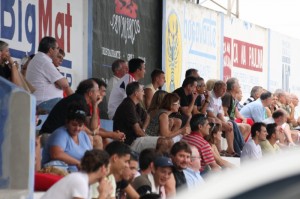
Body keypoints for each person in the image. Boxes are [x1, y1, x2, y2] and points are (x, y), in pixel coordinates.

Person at [26, 36, 73, 112]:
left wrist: (58, 83)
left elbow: (61, 84)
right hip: (44, 103)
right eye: (57, 48)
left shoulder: (40, 58)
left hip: (43, 102)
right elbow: (65, 84)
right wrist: (59, 83)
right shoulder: (44, 61)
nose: (58, 50)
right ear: (51, 50)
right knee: (74, 108)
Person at [41, 149, 112, 199]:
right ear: (103, 168)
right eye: (108, 168)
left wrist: (107, 195)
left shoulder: (85, 182)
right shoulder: (80, 181)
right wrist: (103, 194)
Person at [42, 104, 92, 172]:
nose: (77, 128)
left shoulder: (84, 135)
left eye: (80, 125)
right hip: (61, 175)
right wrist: (77, 163)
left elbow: (91, 156)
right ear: (67, 122)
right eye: (74, 124)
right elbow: (56, 154)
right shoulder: (60, 134)